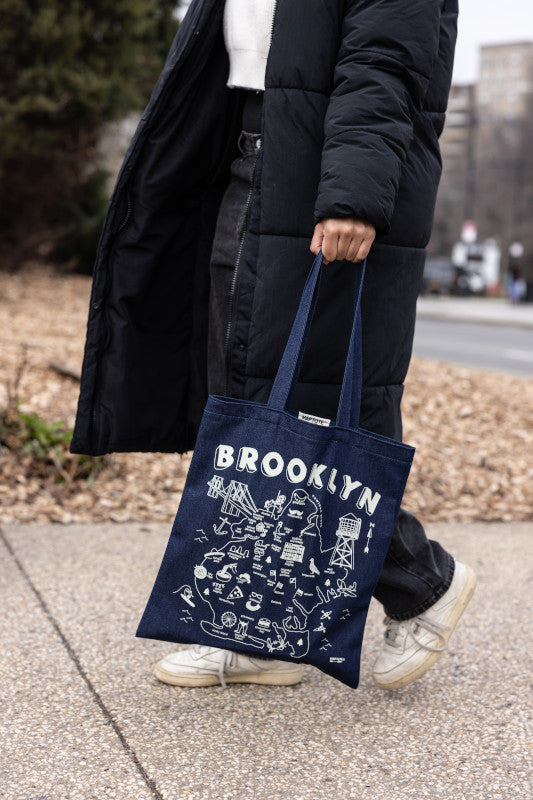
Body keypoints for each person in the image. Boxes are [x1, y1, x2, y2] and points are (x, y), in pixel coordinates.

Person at [71, 0, 476, 691]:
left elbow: (387, 55)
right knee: (241, 394)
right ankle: (260, 632)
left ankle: (420, 583)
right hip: (247, 152)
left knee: (304, 405)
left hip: (319, 168)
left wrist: (351, 193)